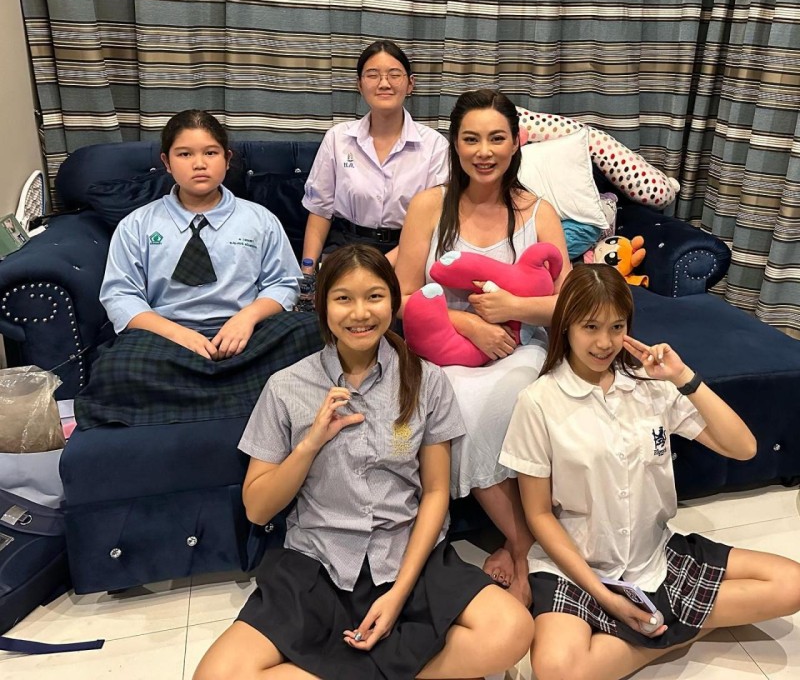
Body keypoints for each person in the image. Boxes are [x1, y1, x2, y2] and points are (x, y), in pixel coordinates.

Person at [193, 244, 534, 680]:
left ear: (393, 302)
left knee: (511, 630)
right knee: (216, 675)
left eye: (374, 296)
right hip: (318, 562)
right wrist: (310, 444)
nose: (360, 313)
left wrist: (399, 593)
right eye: (343, 298)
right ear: (323, 306)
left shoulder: (426, 380)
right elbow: (258, 509)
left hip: (408, 556)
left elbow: (434, 493)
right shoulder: (286, 386)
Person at [500, 264, 800, 680]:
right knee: (556, 670)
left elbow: (743, 448)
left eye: (616, 327)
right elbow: (538, 515)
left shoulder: (649, 386)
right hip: (577, 565)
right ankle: (679, 629)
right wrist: (605, 596)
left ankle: (658, 630)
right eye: (590, 327)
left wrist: (684, 377)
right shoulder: (538, 402)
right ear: (566, 325)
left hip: (653, 556)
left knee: (792, 585)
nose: (604, 342)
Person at [395, 89, 571, 605]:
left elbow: (570, 304)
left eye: (496, 138)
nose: (484, 151)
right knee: (460, 407)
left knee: (506, 399)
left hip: (521, 347)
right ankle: (524, 544)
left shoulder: (538, 212)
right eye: (471, 139)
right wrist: (466, 323)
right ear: (455, 144)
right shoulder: (429, 206)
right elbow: (400, 296)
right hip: (442, 348)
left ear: (516, 142)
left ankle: (521, 541)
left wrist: (514, 307)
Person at [100, 109, 301, 360]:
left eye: (211, 153)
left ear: (227, 159)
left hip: (246, 337)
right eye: (185, 154)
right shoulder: (136, 225)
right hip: (164, 338)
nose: (199, 164)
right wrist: (176, 334)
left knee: (306, 332)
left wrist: (247, 319)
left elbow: (284, 283)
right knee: (113, 366)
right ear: (166, 162)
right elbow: (120, 294)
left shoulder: (261, 220)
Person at [300, 39, 448, 274]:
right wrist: (307, 273)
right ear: (359, 85)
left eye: (394, 75)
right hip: (347, 248)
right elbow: (320, 211)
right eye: (372, 75)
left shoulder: (435, 146)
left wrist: (377, 269)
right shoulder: (338, 139)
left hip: (409, 251)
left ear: (410, 84)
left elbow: (433, 224)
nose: (384, 84)